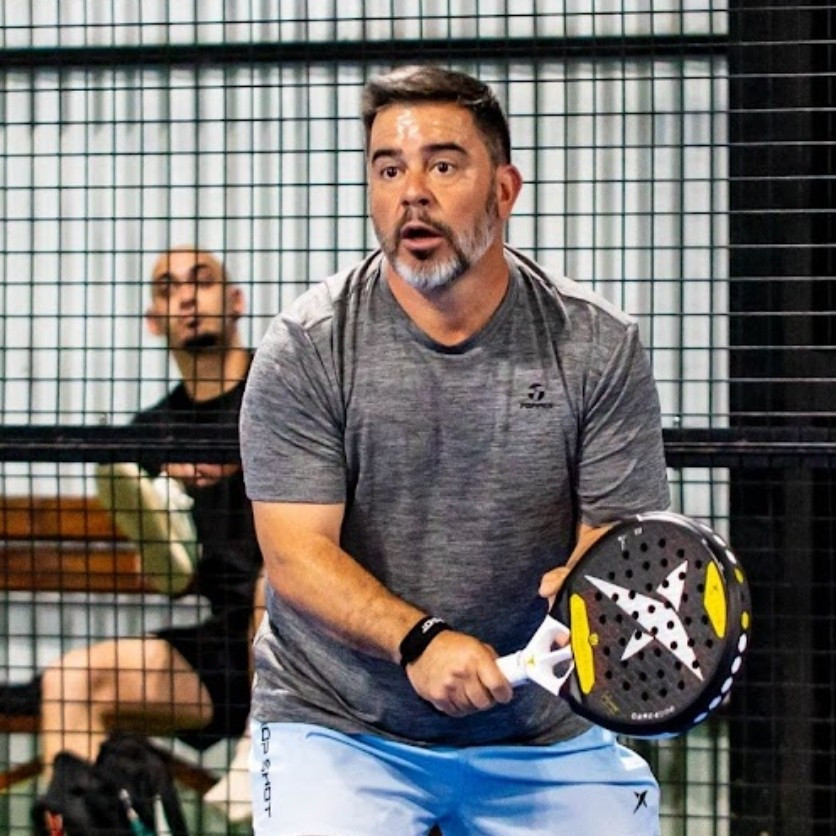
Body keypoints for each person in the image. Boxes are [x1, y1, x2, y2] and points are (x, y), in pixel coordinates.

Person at [240, 65, 670, 836]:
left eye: (442, 166)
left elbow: (615, 533)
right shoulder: (307, 347)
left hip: (540, 730)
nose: (412, 192)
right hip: (339, 724)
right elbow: (295, 553)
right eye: (388, 169)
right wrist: (419, 641)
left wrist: (585, 584)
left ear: (504, 190)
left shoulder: (597, 345)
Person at [2, 247, 262, 817]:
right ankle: (77, 826)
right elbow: (175, 580)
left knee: (275, 584)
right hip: (226, 646)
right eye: (168, 289)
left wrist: (240, 458)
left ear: (236, 302)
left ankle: (265, 740)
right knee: (72, 681)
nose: (187, 298)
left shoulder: (282, 390)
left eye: (201, 282)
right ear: (153, 320)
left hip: (310, 642)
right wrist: (162, 549)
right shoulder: (153, 432)